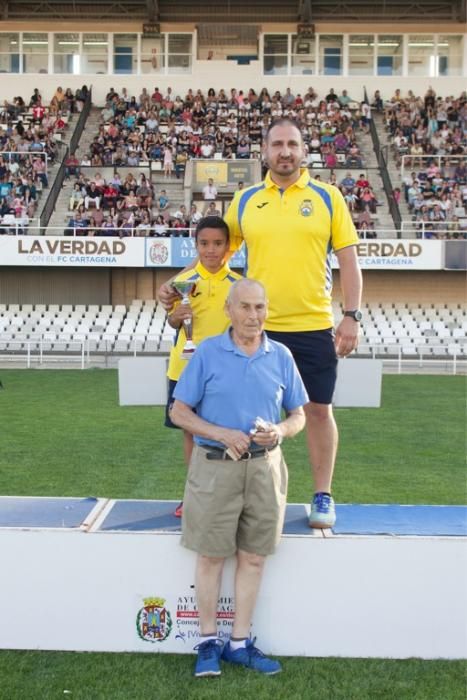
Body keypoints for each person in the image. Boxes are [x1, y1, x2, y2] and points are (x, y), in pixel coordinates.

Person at [159, 117, 362, 529]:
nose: (285, 152)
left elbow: (348, 261)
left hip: (312, 324)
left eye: (292, 144)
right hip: (256, 326)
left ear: (303, 151)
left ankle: (323, 495)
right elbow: (213, 253)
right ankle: (253, 497)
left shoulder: (328, 198)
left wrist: (352, 316)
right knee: (249, 415)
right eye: (277, 145)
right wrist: (176, 282)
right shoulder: (248, 200)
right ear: (265, 152)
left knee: (318, 411)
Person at [170, 278, 308, 677]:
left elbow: (299, 415)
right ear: (229, 310)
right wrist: (220, 432)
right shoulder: (209, 352)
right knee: (212, 556)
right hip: (215, 467)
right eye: (245, 307)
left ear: (267, 310)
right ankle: (208, 642)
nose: (253, 315)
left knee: (252, 558)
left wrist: (280, 431)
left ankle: (239, 643)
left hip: (266, 469)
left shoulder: (280, 355)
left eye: (259, 307)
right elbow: (179, 412)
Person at [166, 216, 242, 517]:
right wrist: (177, 315)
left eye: (218, 244)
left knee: (229, 433)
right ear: (195, 245)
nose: (211, 250)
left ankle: (229, 497)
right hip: (184, 369)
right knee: (190, 434)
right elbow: (172, 320)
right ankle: (193, 494)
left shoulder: (238, 285)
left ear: (227, 247)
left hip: (225, 374)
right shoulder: (180, 284)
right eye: (204, 244)